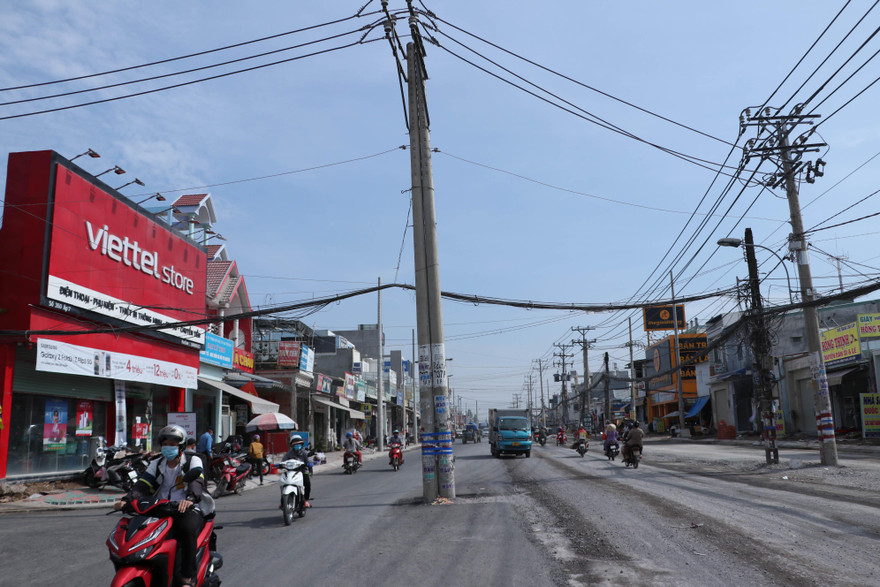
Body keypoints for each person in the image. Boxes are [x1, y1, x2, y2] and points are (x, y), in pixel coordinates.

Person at [115, 424, 204, 587]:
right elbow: (143, 485)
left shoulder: (192, 460)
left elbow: (197, 481)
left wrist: (190, 498)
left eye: (173, 444)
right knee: (136, 529)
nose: (168, 447)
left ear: (182, 446)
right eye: (165, 444)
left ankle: (188, 577)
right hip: (159, 508)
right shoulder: (156, 463)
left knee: (187, 530)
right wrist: (127, 500)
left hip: (185, 508)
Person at [283, 434, 312, 508]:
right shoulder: (289, 453)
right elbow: (283, 460)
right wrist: (280, 464)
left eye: (299, 444)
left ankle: (306, 500)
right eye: (295, 444)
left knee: (307, 483)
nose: (297, 446)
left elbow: (309, 459)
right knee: (284, 483)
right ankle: (282, 501)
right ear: (292, 445)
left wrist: (309, 463)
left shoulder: (305, 452)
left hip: (303, 472)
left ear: (301, 444)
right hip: (291, 472)